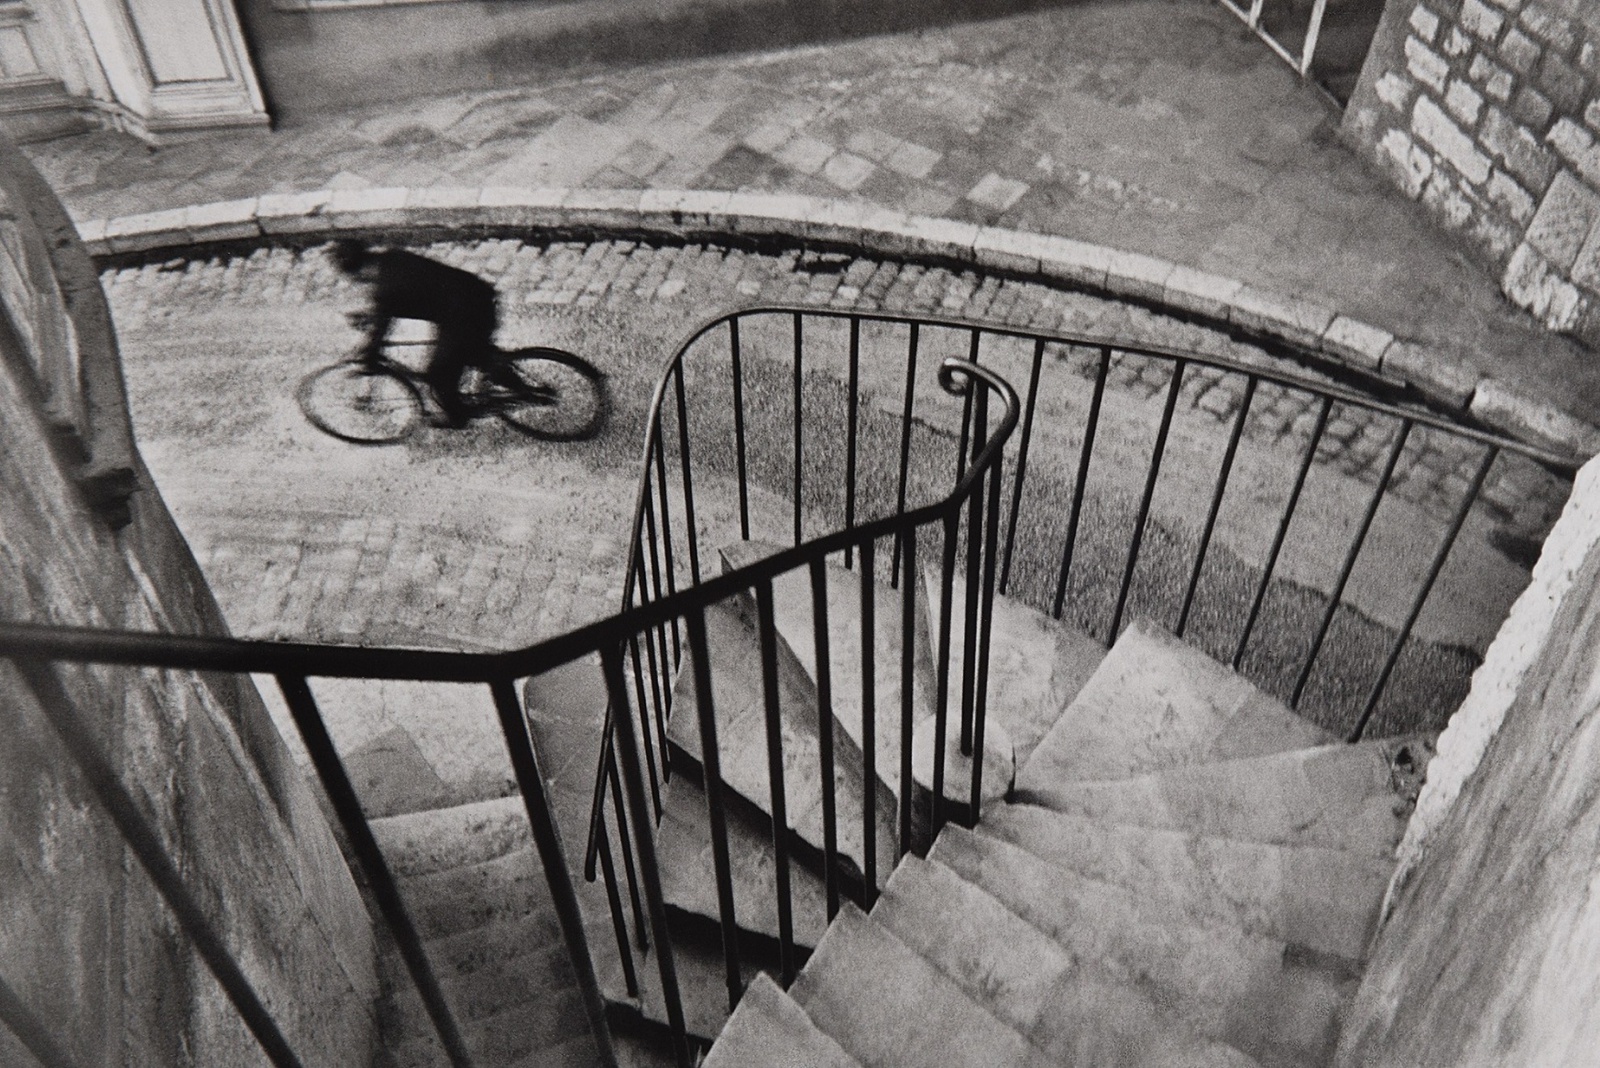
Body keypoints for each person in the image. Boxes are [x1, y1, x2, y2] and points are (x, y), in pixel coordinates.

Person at [329, 239, 499, 427]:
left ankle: (457, 418)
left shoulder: (385, 290)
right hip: (475, 294)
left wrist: (369, 355)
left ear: (357, 272)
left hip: (465, 314)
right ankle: (511, 379)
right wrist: (371, 317)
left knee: (438, 373)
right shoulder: (393, 257)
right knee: (472, 355)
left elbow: (382, 324)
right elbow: (407, 294)